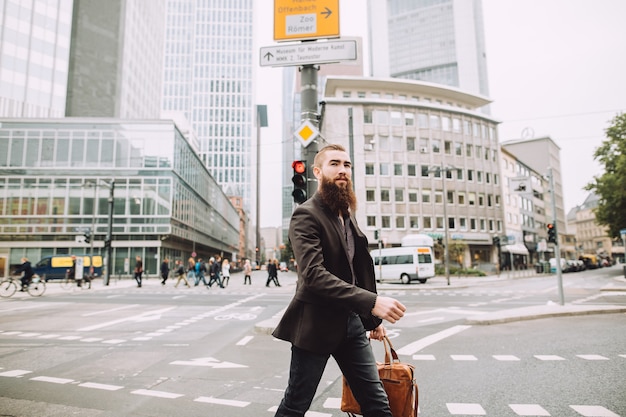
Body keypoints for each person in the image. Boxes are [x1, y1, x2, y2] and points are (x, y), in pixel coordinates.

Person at [272, 144, 406, 417]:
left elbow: (357, 270)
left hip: (351, 325)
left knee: (377, 403)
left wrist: (372, 319)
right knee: (296, 404)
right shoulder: (306, 215)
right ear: (318, 172)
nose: (343, 170)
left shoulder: (345, 214)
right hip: (316, 325)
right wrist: (373, 302)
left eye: (347, 165)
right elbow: (313, 275)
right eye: (335, 164)